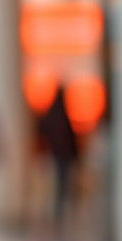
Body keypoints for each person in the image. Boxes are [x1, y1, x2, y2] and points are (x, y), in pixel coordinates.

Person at [36, 84, 78, 223]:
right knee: (60, 183)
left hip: (56, 155)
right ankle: (57, 210)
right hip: (60, 155)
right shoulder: (61, 115)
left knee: (58, 183)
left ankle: (57, 210)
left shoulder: (53, 114)